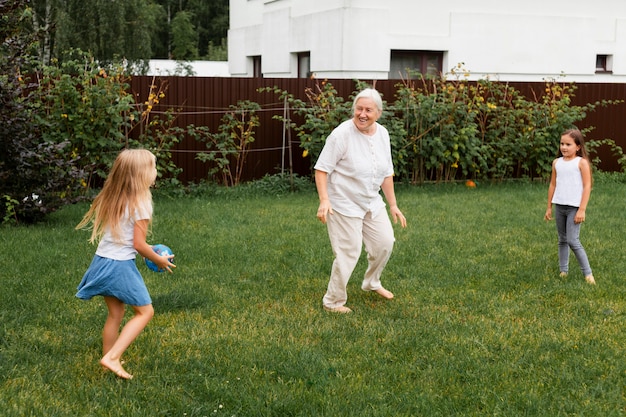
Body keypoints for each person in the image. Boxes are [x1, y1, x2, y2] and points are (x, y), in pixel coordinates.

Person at [75, 149, 175, 379]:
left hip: (102, 262)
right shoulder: (142, 203)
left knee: (115, 313)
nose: (156, 172)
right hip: (119, 267)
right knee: (145, 312)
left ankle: (108, 357)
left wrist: (145, 250)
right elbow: (138, 244)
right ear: (141, 175)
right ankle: (112, 357)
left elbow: (128, 239)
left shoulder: (116, 197)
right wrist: (157, 258)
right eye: (153, 167)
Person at [314, 88, 407, 313]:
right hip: (343, 202)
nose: (362, 114)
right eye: (359, 109)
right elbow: (321, 169)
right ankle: (333, 302)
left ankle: (371, 282)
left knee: (385, 242)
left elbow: (386, 172)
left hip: (371, 201)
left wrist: (393, 204)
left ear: (379, 112)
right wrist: (324, 200)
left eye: (368, 110)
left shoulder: (382, 134)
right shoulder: (341, 134)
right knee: (349, 251)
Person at [544, 128, 595, 284]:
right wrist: (549, 207)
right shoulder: (556, 163)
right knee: (562, 239)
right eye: (562, 144)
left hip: (574, 208)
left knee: (573, 240)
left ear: (578, 146)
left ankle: (588, 274)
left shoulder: (581, 163)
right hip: (560, 206)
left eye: (568, 144)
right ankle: (563, 271)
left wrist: (582, 209)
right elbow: (552, 185)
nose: (564, 147)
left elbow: (587, 186)